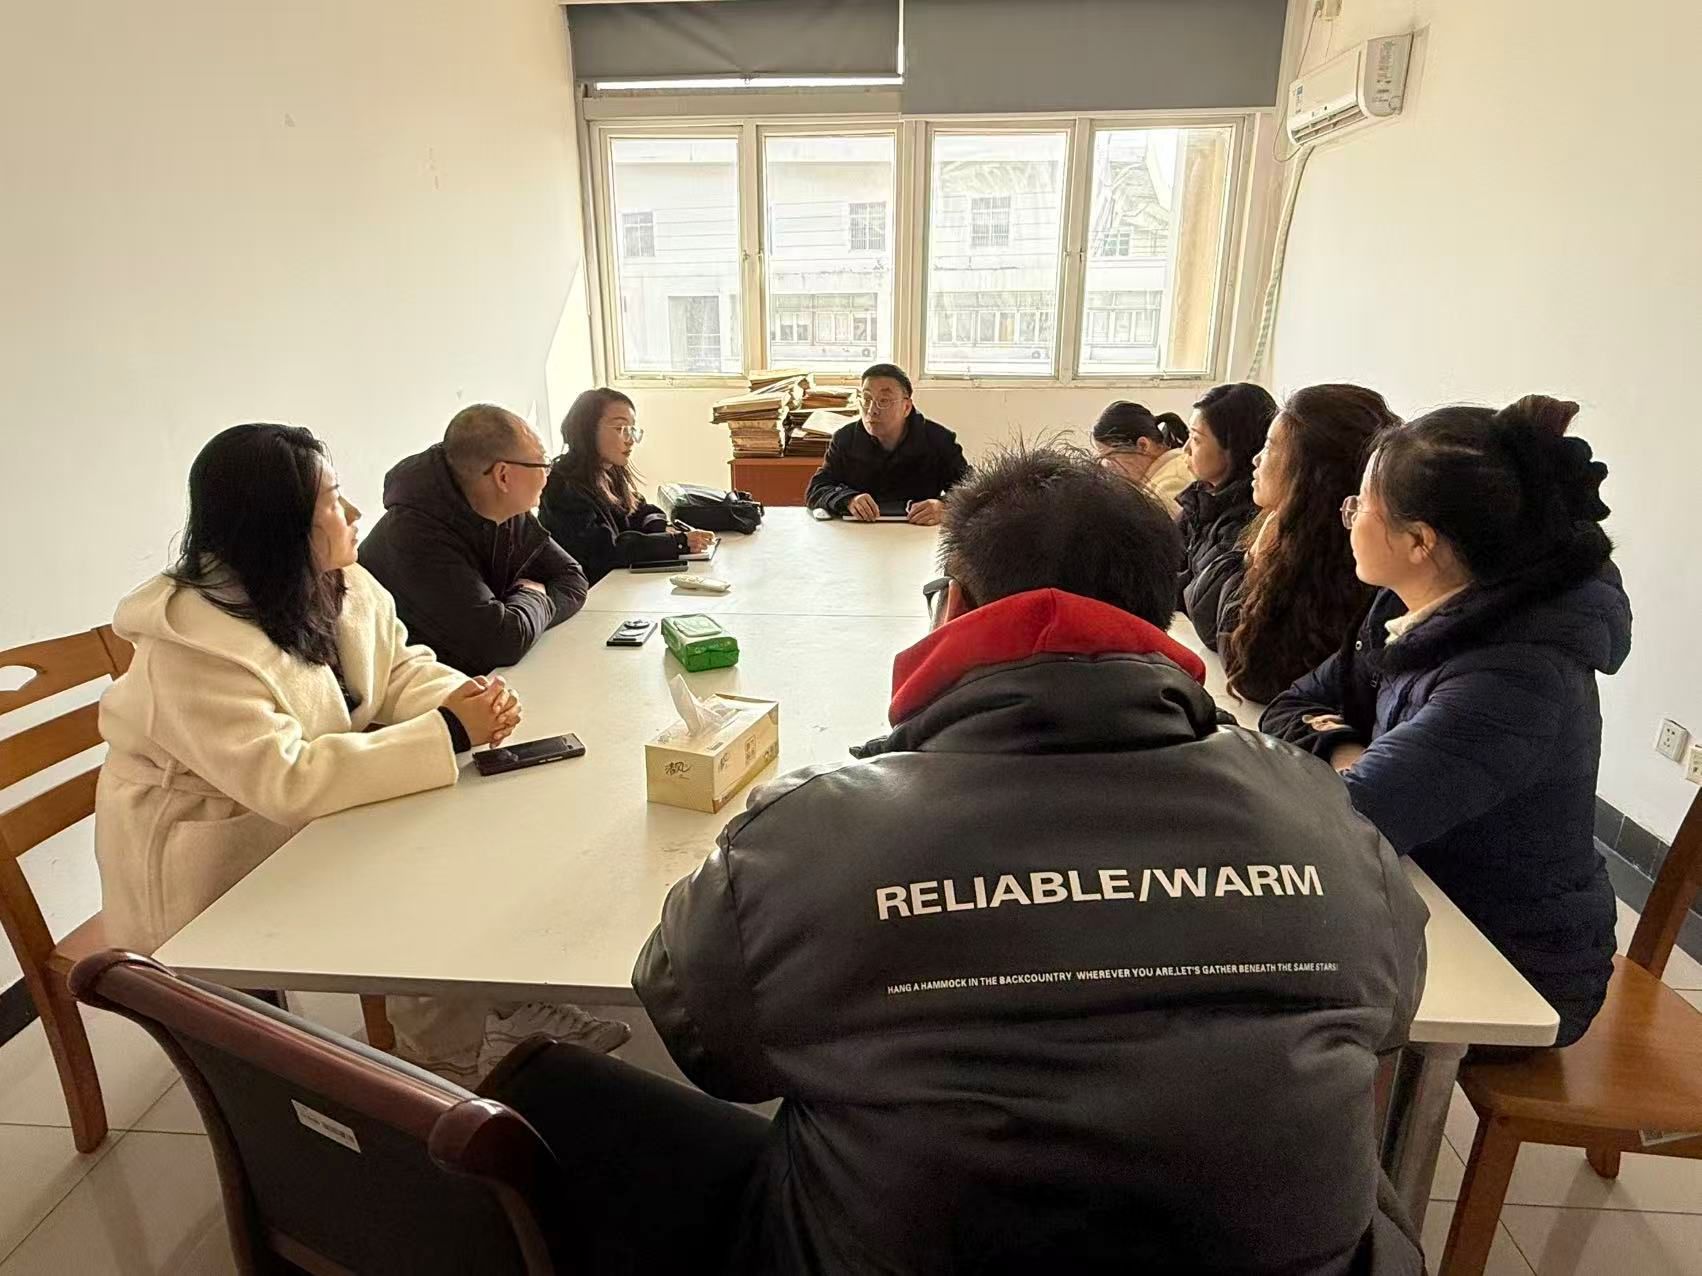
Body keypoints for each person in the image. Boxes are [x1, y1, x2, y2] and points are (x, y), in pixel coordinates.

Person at [493, 446, 1428, 1275]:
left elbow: (706, 1039)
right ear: (1162, 618)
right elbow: (1387, 1016)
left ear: (956, 607)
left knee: (554, 1093)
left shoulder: (810, 835)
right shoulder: (1325, 816)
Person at [96, 423, 626, 1084]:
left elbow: (396, 668)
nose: (352, 512)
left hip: (307, 819)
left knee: (462, 849)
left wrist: (466, 696)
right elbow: (287, 780)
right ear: (277, 525)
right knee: (421, 891)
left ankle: (494, 1011)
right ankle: (442, 1069)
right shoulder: (192, 646)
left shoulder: (336, 580)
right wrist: (450, 731)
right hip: (215, 860)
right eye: (331, 498)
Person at [1262, 395, 1629, 1047]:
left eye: (1359, 506)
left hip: (1516, 964)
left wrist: (1352, 769)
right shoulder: (1404, 610)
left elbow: (1344, 822)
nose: (1348, 517)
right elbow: (1289, 705)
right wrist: (1346, 747)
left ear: (1418, 541)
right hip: (1427, 898)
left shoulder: (1515, 679)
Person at [1184, 384, 1398, 703]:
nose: (1256, 459)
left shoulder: (1343, 566)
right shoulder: (1284, 533)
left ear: (1308, 471)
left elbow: (1252, 673)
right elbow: (1203, 613)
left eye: (1269, 447)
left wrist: (1254, 557)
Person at [359, 404, 588, 676]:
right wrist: (532, 596)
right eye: (543, 464)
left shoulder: (509, 512)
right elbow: (501, 642)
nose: (548, 475)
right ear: (503, 476)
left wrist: (524, 617)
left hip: (479, 679)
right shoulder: (415, 533)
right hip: (412, 690)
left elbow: (572, 578)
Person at [539, 388, 713, 584]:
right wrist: (677, 542)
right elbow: (603, 551)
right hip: (588, 592)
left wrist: (661, 528)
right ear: (587, 430)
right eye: (620, 428)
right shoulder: (561, 486)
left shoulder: (609, 471)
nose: (630, 440)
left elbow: (641, 510)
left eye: (632, 430)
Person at [804, 363, 969, 525]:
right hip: (860, 533)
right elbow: (817, 489)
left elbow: (973, 492)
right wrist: (848, 499)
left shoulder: (939, 440)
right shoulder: (845, 439)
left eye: (884, 400)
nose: (872, 410)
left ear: (906, 407)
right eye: (867, 399)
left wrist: (945, 507)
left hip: (918, 533)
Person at [1177, 381, 1277, 595]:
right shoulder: (1200, 498)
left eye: (1196, 439)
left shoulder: (1245, 520)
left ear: (1233, 448)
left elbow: (1197, 595)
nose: (1186, 448)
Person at [1092, 400, 1192, 516]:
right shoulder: (1176, 467)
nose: (1107, 467)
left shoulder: (1167, 489)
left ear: (1143, 445)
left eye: (1110, 456)